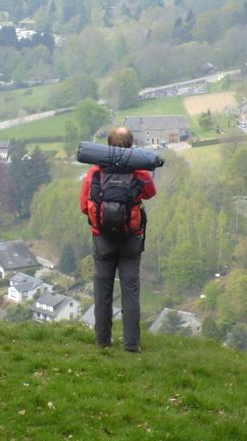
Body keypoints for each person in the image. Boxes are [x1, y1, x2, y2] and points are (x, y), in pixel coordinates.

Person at [80, 127, 157, 352]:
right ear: (131, 145)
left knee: (102, 291)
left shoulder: (95, 171)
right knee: (130, 291)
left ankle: (103, 341)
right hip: (131, 240)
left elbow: (84, 207)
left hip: (102, 239)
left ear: (107, 145)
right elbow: (151, 193)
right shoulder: (139, 172)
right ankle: (132, 344)